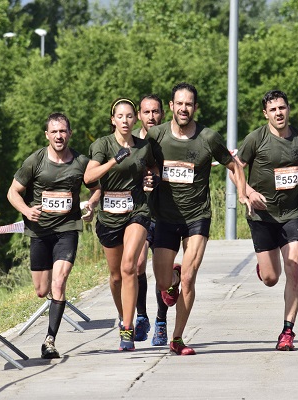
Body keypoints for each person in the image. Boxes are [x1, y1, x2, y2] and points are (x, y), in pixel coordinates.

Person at [147, 82, 250, 355]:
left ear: (195, 107)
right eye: (179, 103)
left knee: (190, 279)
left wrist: (242, 191)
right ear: (171, 106)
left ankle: (178, 339)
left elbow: (234, 165)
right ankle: (172, 277)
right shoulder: (155, 136)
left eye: (189, 104)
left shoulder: (208, 137)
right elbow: (136, 160)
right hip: (164, 216)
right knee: (162, 284)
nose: (184, 108)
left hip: (197, 216)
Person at [231, 90, 298, 351]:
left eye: (282, 108)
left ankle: (287, 331)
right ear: (265, 114)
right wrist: (248, 192)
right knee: (271, 278)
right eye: (273, 110)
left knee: (294, 266)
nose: (279, 113)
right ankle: (264, 268)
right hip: (262, 216)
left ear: (288, 109)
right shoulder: (255, 139)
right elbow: (236, 169)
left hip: (292, 214)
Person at [7, 113, 100, 359]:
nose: (59, 136)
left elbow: (96, 187)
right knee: (41, 290)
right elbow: (13, 192)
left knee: (59, 283)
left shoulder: (81, 162)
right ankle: (53, 303)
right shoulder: (35, 161)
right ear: (47, 135)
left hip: (67, 230)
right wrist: (26, 210)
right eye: (54, 132)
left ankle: (50, 340)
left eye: (63, 131)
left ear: (70, 133)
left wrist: (91, 205)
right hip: (39, 231)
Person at [84, 98, 158, 351]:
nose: (125, 121)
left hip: (137, 210)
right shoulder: (102, 145)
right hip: (108, 217)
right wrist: (114, 161)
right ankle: (123, 316)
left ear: (134, 119)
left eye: (129, 116)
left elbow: (154, 169)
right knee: (116, 277)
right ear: (112, 119)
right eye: (120, 116)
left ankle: (127, 329)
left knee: (130, 266)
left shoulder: (144, 146)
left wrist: (151, 180)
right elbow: (88, 177)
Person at [132, 94, 165, 343]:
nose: (151, 117)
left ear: (162, 113)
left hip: (166, 212)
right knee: (138, 264)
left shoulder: (170, 138)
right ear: (139, 115)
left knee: (161, 271)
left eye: (155, 112)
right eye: (146, 112)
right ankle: (141, 316)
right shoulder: (130, 141)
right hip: (140, 212)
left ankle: (161, 321)